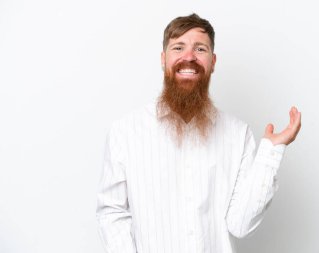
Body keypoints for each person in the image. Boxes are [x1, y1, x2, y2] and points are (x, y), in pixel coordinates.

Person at [96, 13, 301, 253]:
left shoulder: (238, 134)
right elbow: (112, 213)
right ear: (163, 59)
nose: (189, 57)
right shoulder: (125, 132)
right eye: (178, 47)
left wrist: (270, 155)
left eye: (200, 49)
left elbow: (241, 225)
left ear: (213, 62)